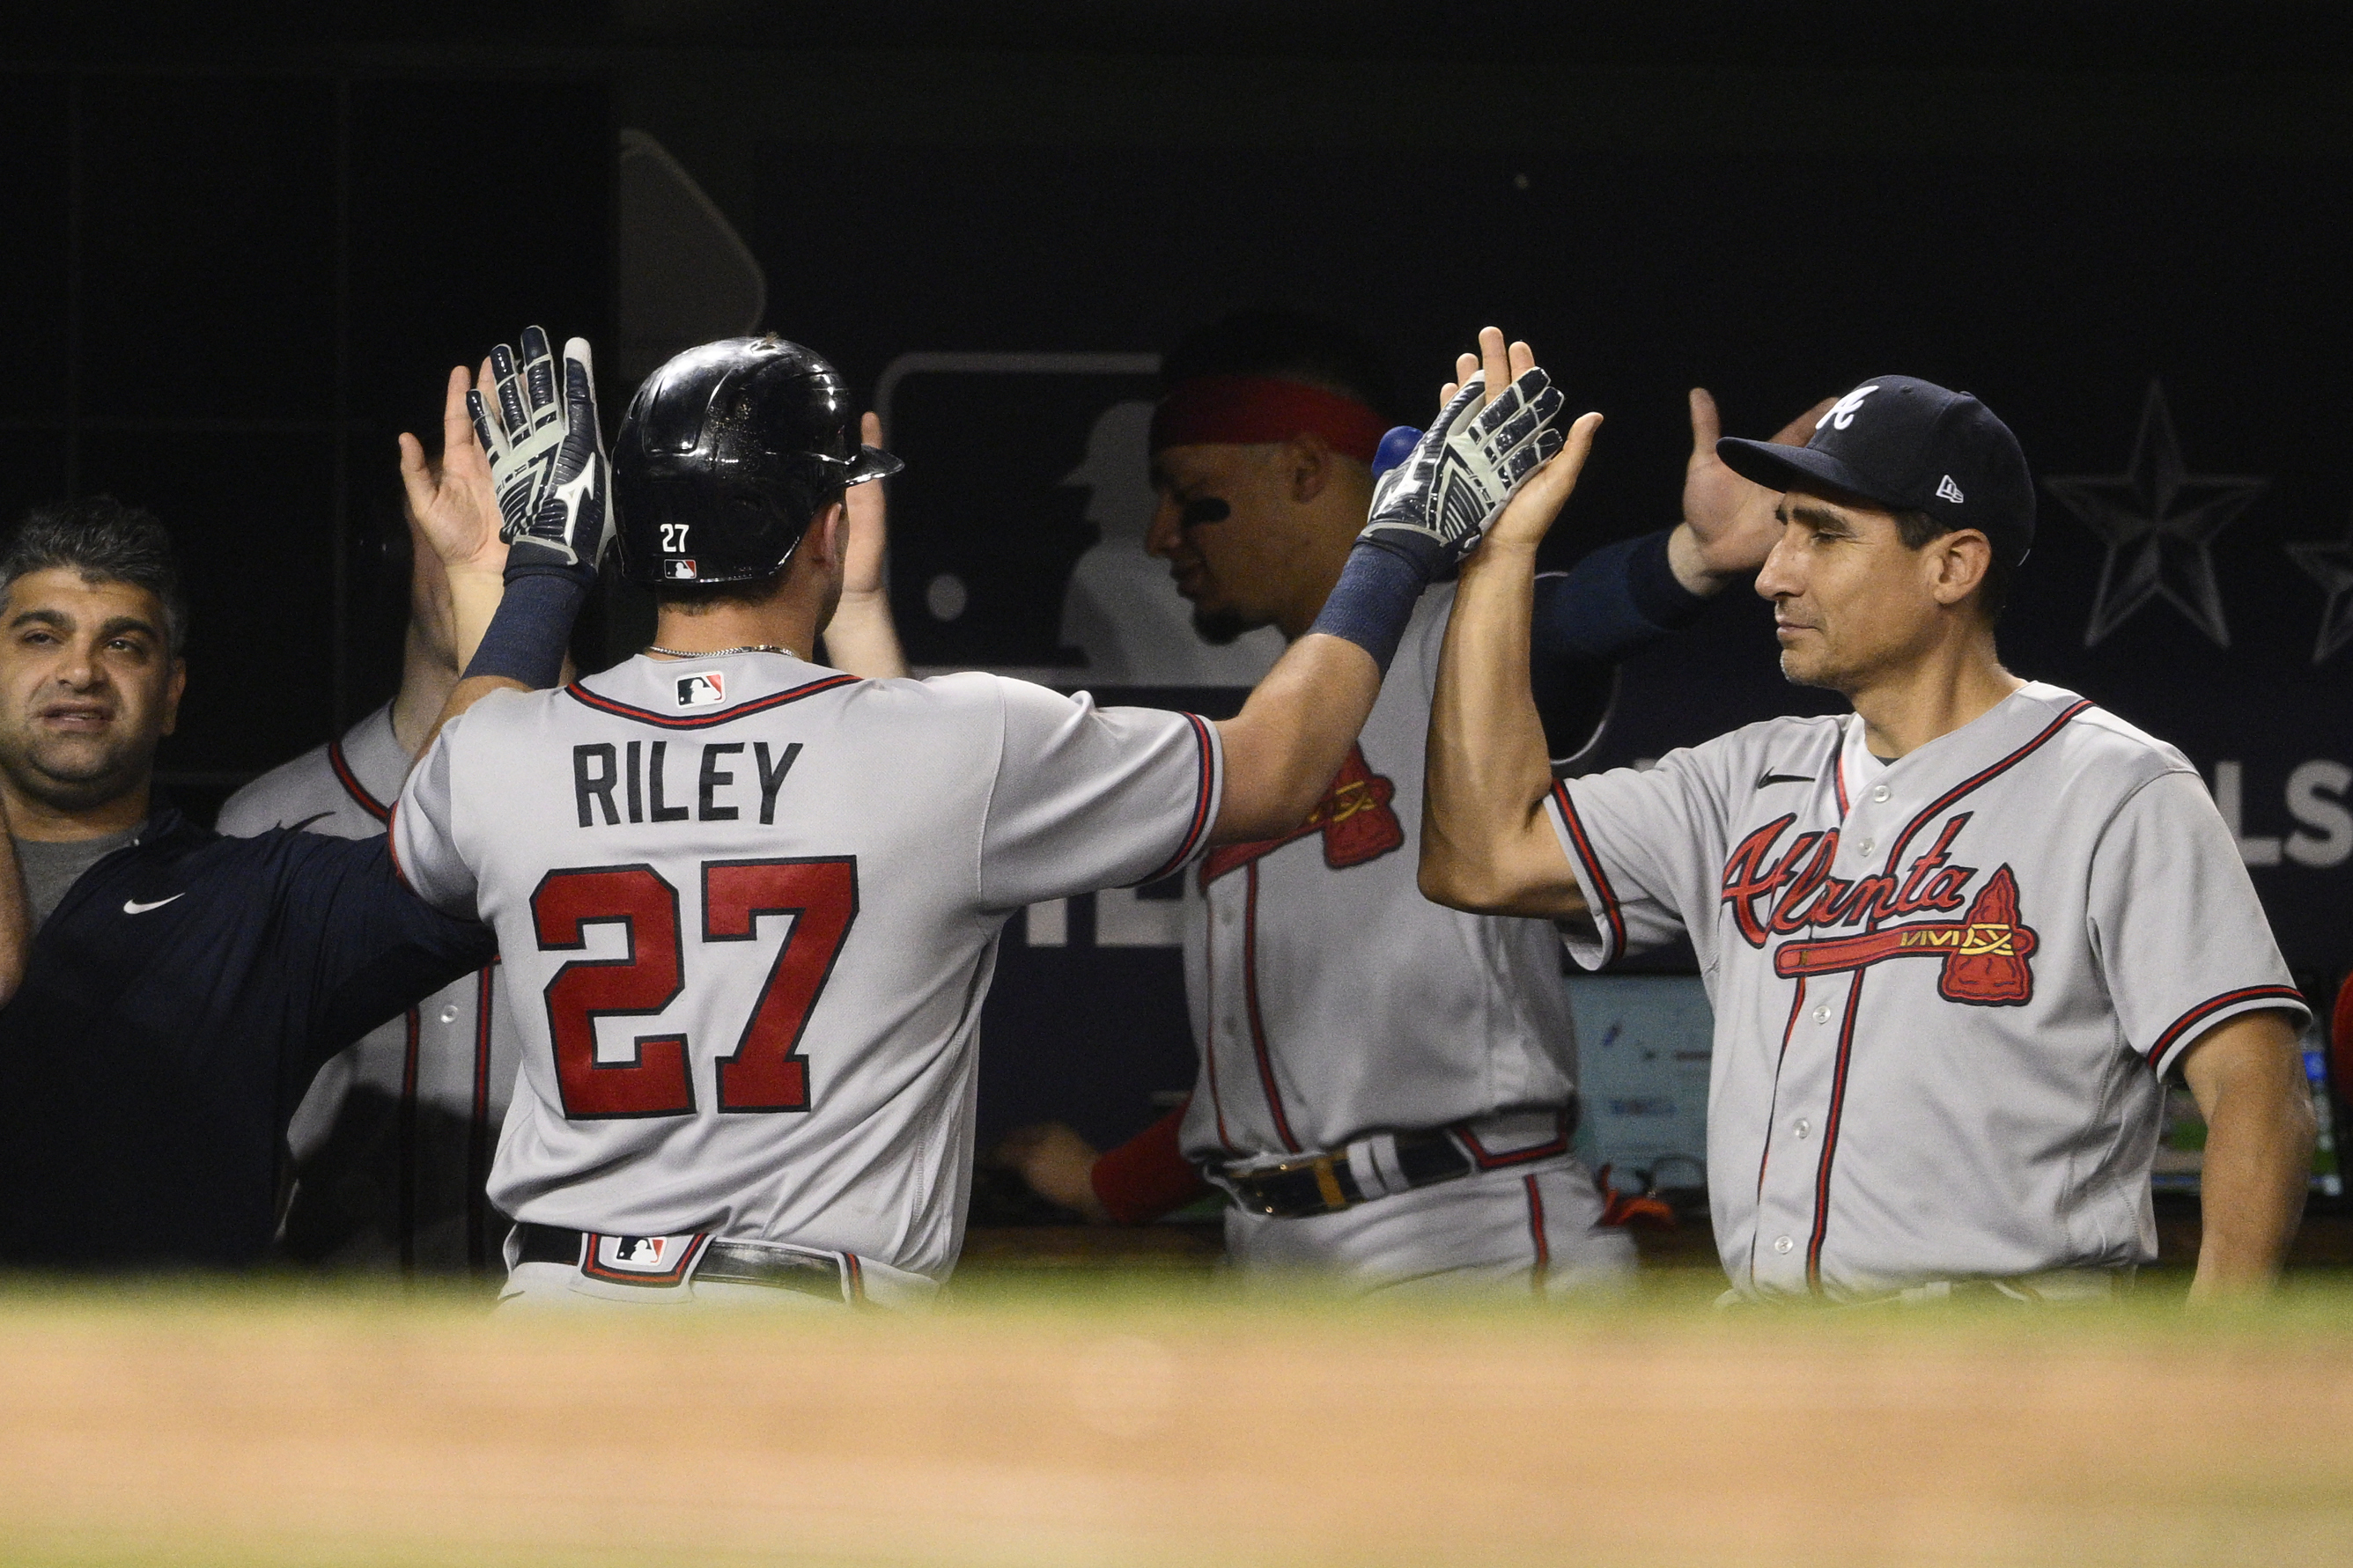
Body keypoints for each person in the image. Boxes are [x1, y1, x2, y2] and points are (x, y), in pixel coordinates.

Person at [388, 328, 1567, 1308]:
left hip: (555, 1323)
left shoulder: (496, 755)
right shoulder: (950, 745)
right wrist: (1398, 544)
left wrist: (539, 572)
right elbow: (1274, 766)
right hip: (803, 1332)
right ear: (824, 528)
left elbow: (458, 768)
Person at [1419, 372, 2318, 1302]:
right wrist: (1500, 557)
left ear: (1951, 566)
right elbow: (1478, 855)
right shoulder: (1743, 780)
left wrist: (2206, 1361)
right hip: (1770, 1370)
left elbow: (2258, 1092)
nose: (1773, 572)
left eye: (1823, 534)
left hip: (2008, 1374)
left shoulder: (2115, 786)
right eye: (1783, 530)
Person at [999, 314, 1822, 1295]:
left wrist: (1687, 557)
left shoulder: (1453, 640)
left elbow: (1565, 623)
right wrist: (1113, 1183)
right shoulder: (1263, 740)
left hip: (1461, 1233)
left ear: (1305, 469)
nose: (1158, 534)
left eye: (1191, 495)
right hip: (1272, 1250)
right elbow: (1281, 1093)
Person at [0, 349, 526, 1270]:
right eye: (40, 635)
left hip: (165, 1402)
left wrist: (493, 587)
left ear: (172, 693)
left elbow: (469, 828)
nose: (80, 669)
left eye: (124, 644)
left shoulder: (256, 898)